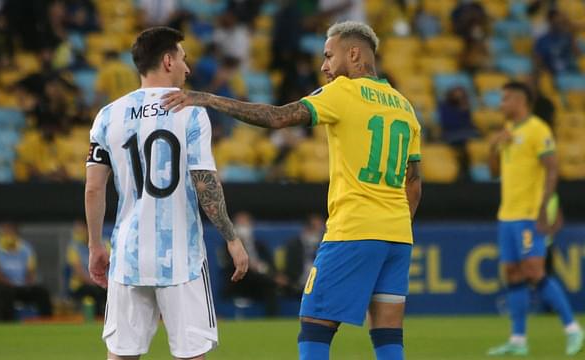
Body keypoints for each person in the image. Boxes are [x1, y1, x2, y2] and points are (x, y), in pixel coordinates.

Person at [163, 21, 422, 360]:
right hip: (398, 236)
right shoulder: (404, 106)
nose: (324, 66)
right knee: (388, 336)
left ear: (354, 53)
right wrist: (395, 225)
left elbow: (276, 117)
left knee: (314, 327)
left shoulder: (344, 92)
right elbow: (413, 182)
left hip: (354, 228)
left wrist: (208, 99)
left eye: (329, 56)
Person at [84, 27, 248, 360]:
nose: (188, 69)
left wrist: (95, 245)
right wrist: (231, 237)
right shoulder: (190, 111)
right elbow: (204, 182)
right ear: (168, 60)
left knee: (122, 354)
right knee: (191, 354)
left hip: (128, 253)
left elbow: (93, 188)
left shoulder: (108, 115)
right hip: (180, 256)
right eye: (184, 60)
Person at [486, 82, 583, 356]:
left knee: (534, 271)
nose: (501, 104)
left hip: (529, 214)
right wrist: (494, 146)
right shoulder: (508, 132)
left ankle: (573, 328)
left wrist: (544, 206)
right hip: (507, 215)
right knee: (513, 274)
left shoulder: (537, 130)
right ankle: (518, 340)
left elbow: (552, 169)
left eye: (505, 99)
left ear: (520, 101)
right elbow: (494, 173)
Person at [0, 223, 52, 321]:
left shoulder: (26, 248)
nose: (8, 233)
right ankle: (8, 324)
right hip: (2, 285)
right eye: (6, 230)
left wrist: (27, 282)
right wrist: (10, 283)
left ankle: (46, 322)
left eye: (11, 230)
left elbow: (31, 272)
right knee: (6, 292)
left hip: (22, 285)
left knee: (42, 292)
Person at [66, 221, 106, 316]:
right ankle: (98, 319)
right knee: (96, 291)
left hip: (102, 282)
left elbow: (110, 264)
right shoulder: (74, 247)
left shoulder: (104, 244)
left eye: (81, 231)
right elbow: (79, 272)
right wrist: (96, 282)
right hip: (80, 285)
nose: (79, 234)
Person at [282, 214, 325, 296]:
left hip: (321, 282)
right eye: (314, 228)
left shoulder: (325, 245)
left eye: (321, 228)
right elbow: (290, 268)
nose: (319, 232)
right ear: (307, 228)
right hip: (298, 284)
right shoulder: (294, 244)